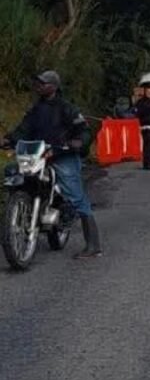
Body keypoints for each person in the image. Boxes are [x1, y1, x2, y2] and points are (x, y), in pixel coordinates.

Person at [2, 71, 102, 259]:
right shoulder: (36, 110)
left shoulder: (67, 108)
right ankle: (20, 214)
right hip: (37, 155)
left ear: (54, 86)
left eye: (43, 83)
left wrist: (79, 141)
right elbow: (23, 129)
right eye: (38, 83)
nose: (39, 86)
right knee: (16, 176)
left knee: (76, 196)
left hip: (61, 155)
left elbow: (84, 130)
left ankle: (93, 245)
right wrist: (9, 140)